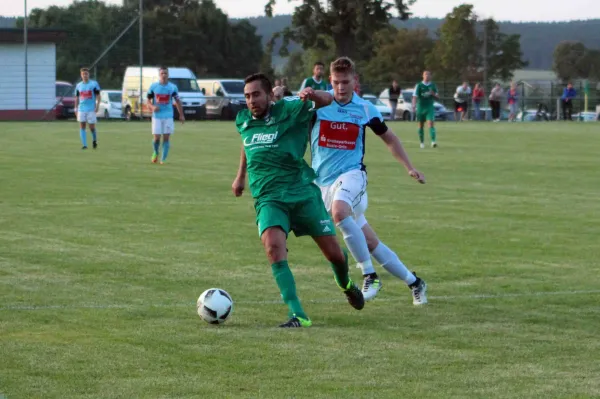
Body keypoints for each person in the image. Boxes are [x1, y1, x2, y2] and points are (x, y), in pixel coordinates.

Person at [232, 73, 364, 328]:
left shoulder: (292, 109)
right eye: (247, 96)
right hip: (268, 197)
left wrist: (313, 94)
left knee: (335, 255)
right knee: (273, 247)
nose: (251, 101)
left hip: (302, 193)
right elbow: (246, 143)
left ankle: (345, 283)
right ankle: (298, 314)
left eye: (256, 94)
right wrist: (240, 177)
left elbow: (329, 98)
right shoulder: (243, 119)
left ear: (270, 95)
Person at [311, 57, 428, 304]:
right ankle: (415, 282)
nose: (341, 87)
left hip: (353, 177)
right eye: (336, 82)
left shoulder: (365, 109)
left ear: (355, 81)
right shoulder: (318, 105)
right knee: (370, 241)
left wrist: (410, 167)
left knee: (339, 212)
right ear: (330, 81)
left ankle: (369, 275)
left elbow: (390, 139)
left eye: (345, 82)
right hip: (322, 183)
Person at [146, 67, 185, 164]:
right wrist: (152, 107)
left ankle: (163, 159)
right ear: (159, 75)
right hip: (157, 116)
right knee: (156, 138)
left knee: (166, 137)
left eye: (165, 73)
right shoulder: (154, 87)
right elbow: (147, 101)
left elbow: (177, 101)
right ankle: (155, 152)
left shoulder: (172, 87)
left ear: (168, 75)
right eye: (162, 73)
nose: (164, 75)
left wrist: (181, 115)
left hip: (168, 116)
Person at [74, 68, 101, 150]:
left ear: (88, 74)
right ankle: (84, 145)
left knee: (91, 127)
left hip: (91, 109)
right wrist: (75, 108)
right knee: (82, 126)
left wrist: (97, 106)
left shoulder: (94, 84)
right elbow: (77, 98)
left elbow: (98, 96)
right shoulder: (78, 85)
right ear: (81, 75)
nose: (85, 75)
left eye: (86, 74)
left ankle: (94, 140)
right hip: (81, 109)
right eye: (83, 74)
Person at [412, 71, 439, 148]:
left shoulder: (433, 85)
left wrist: (433, 94)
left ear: (430, 76)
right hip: (420, 107)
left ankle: (433, 142)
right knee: (421, 125)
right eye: (425, 74)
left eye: (428, 74)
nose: (427, 76)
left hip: (429, 107)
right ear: (423, 76)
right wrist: (413, 105)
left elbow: (437, 97)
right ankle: (422, 142)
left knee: (430, 123)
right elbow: (415, 96)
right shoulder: (419, 85)